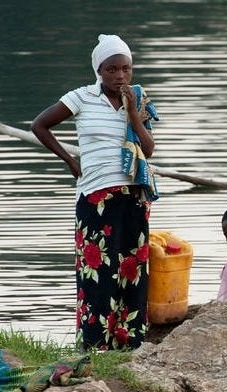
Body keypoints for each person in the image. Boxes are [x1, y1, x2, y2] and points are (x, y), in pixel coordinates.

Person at [31, 34, 158, 351]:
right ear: (99, 70)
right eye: (112, 69)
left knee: (132, 270)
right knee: (97, 272)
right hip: (95, 197)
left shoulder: (138, 100)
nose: (120, 76)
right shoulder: (82, 98)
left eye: (126, 69)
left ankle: (129, 343)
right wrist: (69, 159)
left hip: (132, 196)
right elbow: (40, 125)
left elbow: (149, 149)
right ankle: (92, 343)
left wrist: (131, 113)